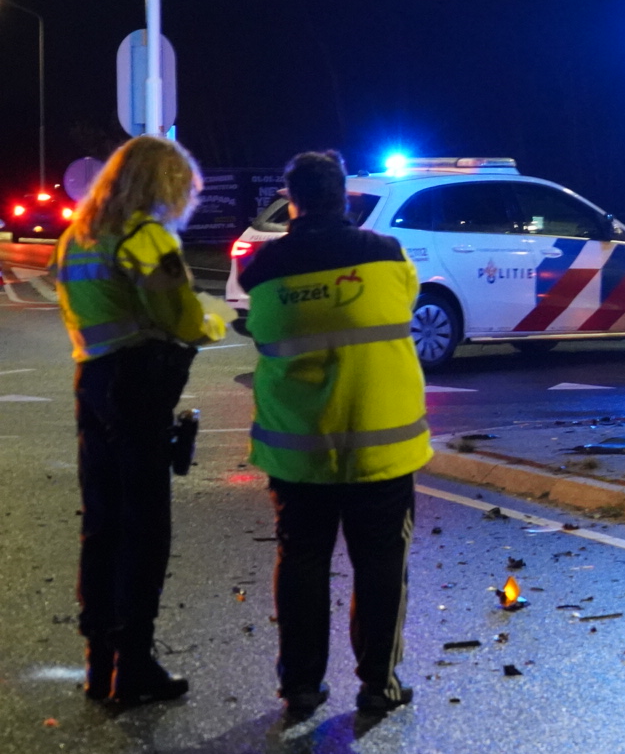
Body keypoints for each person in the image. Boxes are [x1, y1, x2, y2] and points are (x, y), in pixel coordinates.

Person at [241, 151, 432, 718]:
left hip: (299, 452)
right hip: (381, 450)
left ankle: (300, 684)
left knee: (301, 565)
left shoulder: (266, 270)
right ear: (344, 196)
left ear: (291, 200)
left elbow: (257, 326)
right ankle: (379, 684)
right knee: (380, 566)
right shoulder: (388, 258)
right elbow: (406, 302)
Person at [54, 135, 226, 705]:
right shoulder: (145, 237)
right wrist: (213, 324)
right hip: (138, 389)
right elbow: (179, 317)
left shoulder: (76, 238)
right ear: (163, 186)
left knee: (101, 525)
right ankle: (134, 665)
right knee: (145, 529)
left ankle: (98, 660)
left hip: (93, 386)